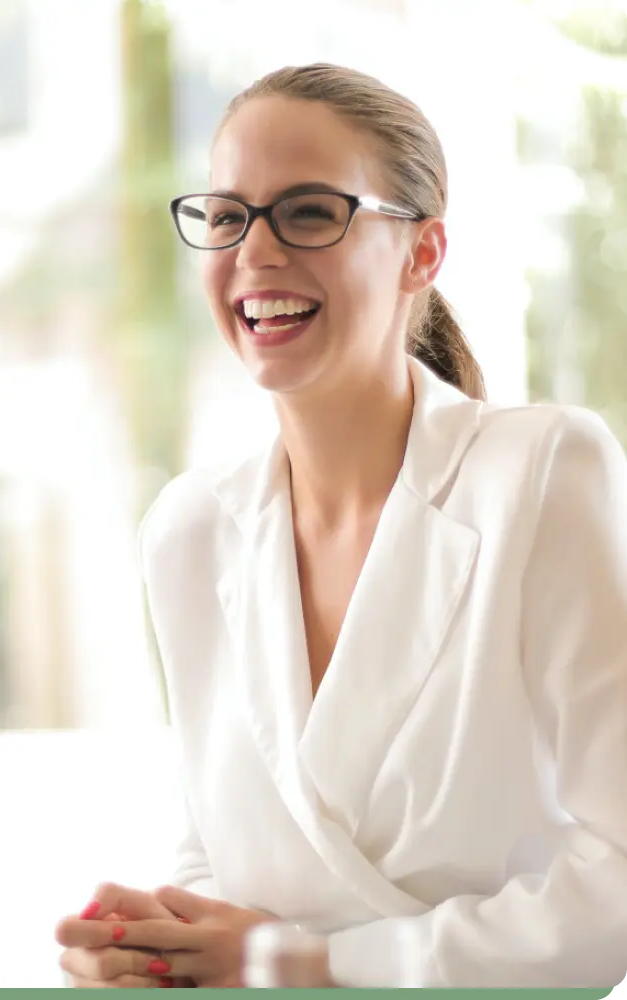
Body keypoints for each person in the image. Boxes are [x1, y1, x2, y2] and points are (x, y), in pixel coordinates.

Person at [55, 62, 627, 988]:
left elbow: (622, 879)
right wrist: (156, 947)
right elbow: (221, 858)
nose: (256, 253)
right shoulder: (189, 532)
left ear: (422, 253)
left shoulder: (542, 473)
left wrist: (311, 964)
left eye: (310, 212)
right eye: (228, 215)